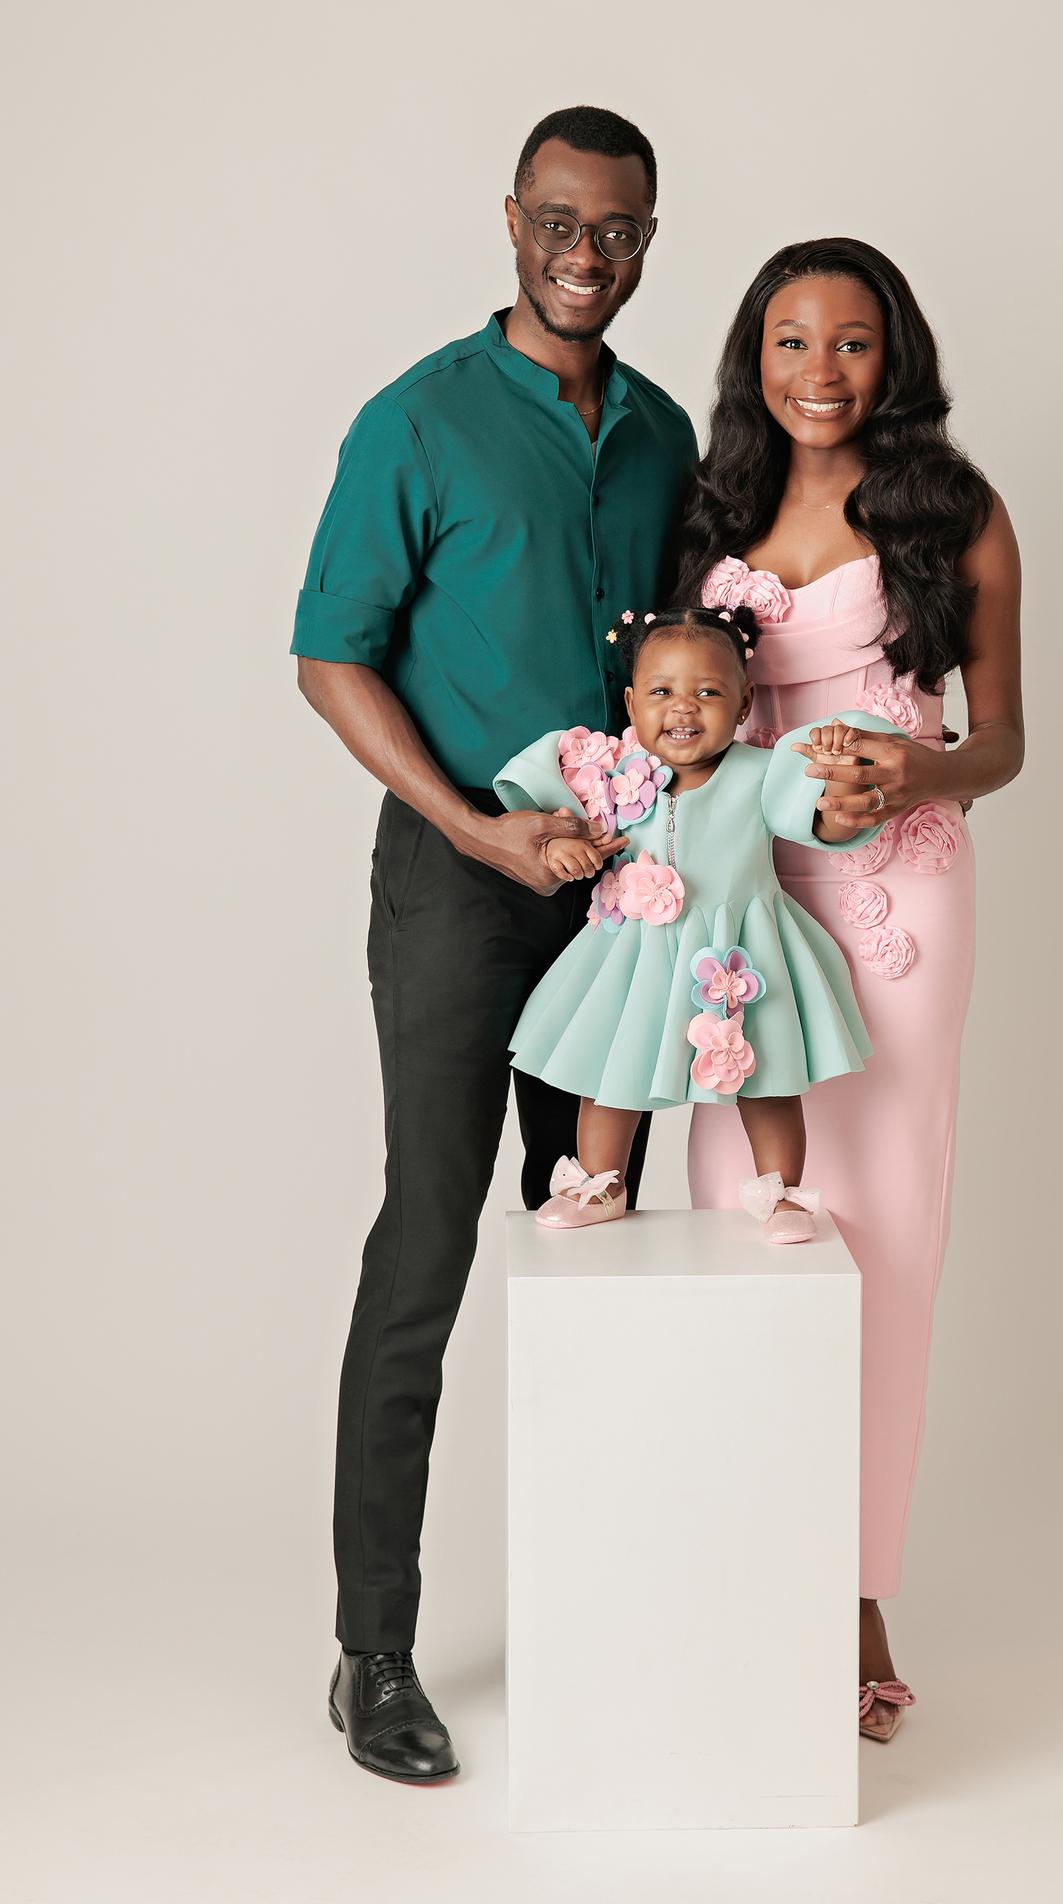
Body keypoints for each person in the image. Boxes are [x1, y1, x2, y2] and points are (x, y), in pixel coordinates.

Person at [291, 106, 697, 1784]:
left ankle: (601, 1626)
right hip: (460, 882)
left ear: (648, 239)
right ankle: (373, 1652)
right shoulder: (418, 418)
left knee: (597, 1239)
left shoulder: (665, 433)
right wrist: (472, 830)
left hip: (621, 895)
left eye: (616, 230)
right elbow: (328, 655)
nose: (584, 255)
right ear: (511, 220)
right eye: (558, 222)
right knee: (429, 1241)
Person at [675, 239, 1024, 1741]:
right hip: (741, 901)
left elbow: (1003, 737)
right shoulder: (710, 508)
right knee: (738, 1216)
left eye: (852, 341)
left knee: (881, 1232)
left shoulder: (954, 512)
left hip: (897, 899)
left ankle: (858, 1591)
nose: (819, 370)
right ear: (752, 357)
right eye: (789, 339)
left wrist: (918, 769)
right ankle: (740, 1571)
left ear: (896, 358)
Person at [491, 606, 900, 1238]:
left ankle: (784, 1194)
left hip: (741, 957)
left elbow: (822, 821)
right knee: (611, 1070)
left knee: (767, 1079)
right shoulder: (614, 775)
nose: (683, 707)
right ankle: (602, 1184)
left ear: (744, 704)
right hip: (635, 952)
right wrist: (563, 845)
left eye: (708, 692)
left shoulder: (762, 773)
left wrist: (841, 792)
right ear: (631, 703)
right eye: (661, 692)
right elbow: (559, 825)